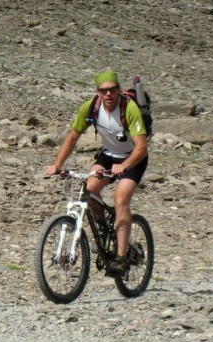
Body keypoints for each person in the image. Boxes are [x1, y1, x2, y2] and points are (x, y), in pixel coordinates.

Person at [45, 70, 149, 277]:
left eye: (112, 89)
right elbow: (73, 137)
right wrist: (57, 164)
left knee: (121, 198)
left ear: (119, 90)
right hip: (109, 156)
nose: (108, 94)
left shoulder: (129, 109)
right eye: (104, 90)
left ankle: (120, 258)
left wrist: (125, 165)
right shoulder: (91, 107)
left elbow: (142, 147)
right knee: (89, 189)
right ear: (98, 92)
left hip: (133, 158)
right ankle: (103, 227)